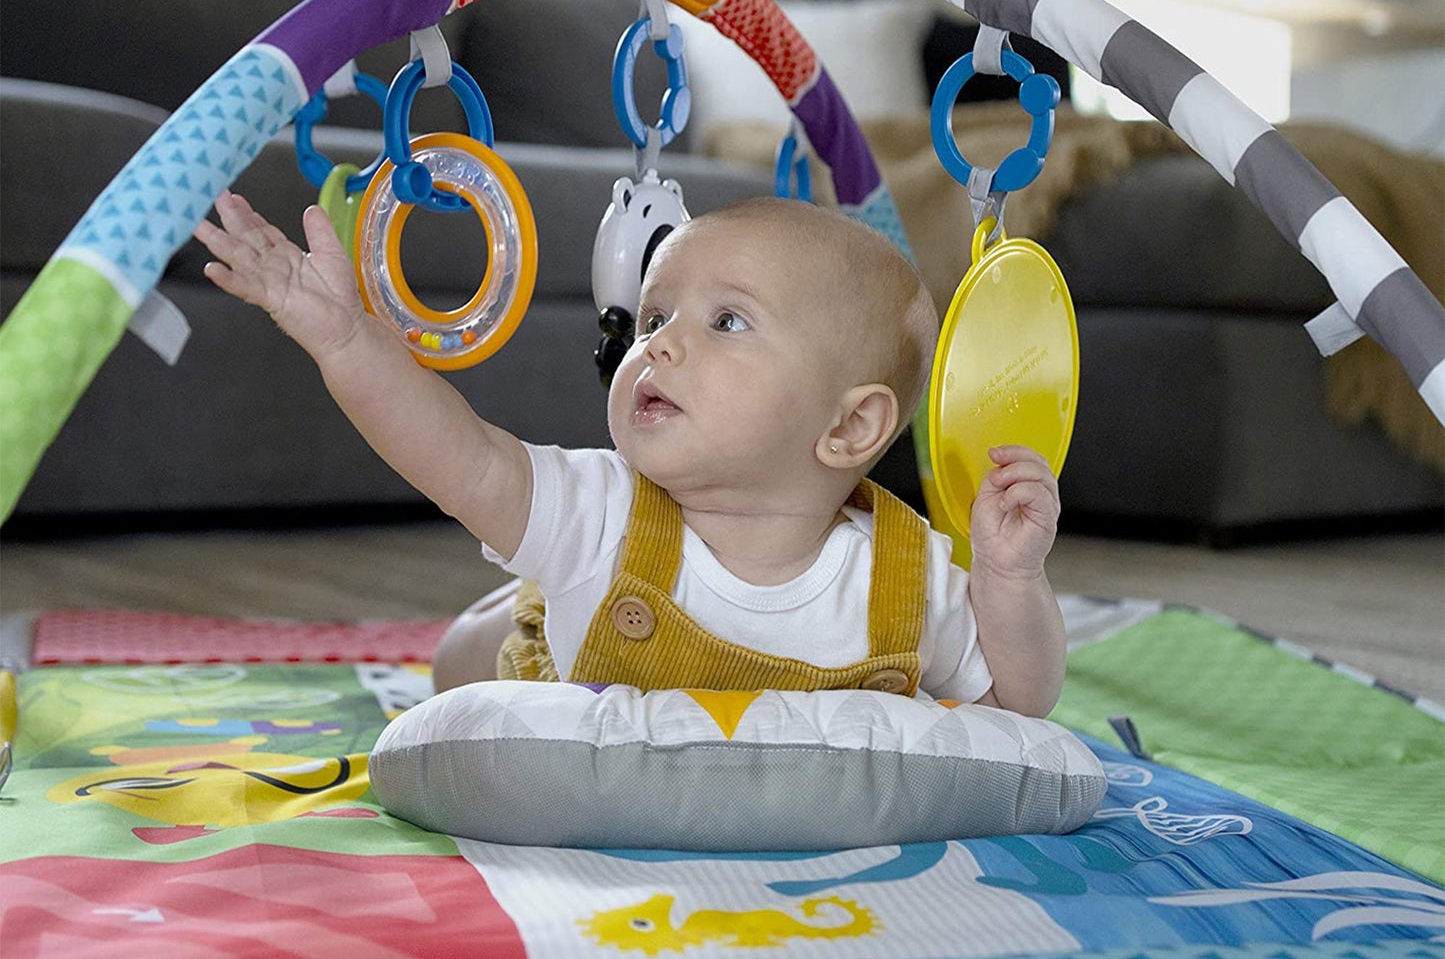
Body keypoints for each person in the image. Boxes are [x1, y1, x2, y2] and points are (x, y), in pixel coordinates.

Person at [195, 190, 1066, 716]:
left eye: (727, 320)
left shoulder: (902, 577)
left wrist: (1009, 578)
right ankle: (526, 598)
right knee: (459, 668)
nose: (658, 345)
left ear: (848, 428)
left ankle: (537, 582)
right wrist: (346, 339)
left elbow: (1013, 701)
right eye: (653, 317)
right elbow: (458, 457)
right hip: (560, 662)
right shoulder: (600, 509)